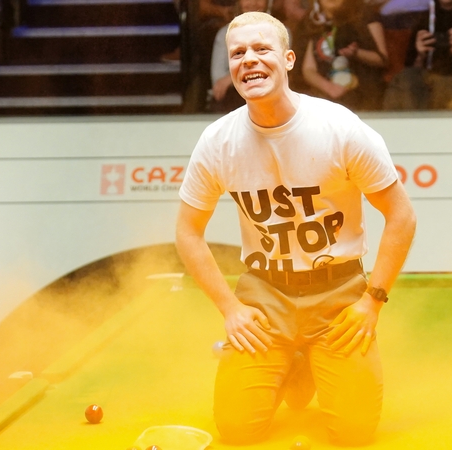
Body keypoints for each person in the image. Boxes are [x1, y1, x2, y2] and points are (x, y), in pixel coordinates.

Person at [176, 11, 416, 446]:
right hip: (265, 296)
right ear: (230, 67)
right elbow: (188, 232)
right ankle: (292, 359)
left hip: (339, 295)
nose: (249, 60)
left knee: (354, 433)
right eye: (238, 53)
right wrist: (231, 309)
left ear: (288, 59)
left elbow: (401, 215)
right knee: (236, 430)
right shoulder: (218, 141)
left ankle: (307, 356)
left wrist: (371, 302)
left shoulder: (340, 128)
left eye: (261, 49)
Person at [295, 0, 389, 110]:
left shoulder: (366, 16)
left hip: (362, 91)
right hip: (324, 95)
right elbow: (308, 69)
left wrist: (356, 53)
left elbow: (382, 59)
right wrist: (330, 88)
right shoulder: (311, 22)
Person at [210, 0, 274, 112]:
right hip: (233, 101)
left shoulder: (279, 34)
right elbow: (219, 83)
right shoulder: (224, 34)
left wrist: (230, 78)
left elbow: (274, 73)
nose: (253, 3)